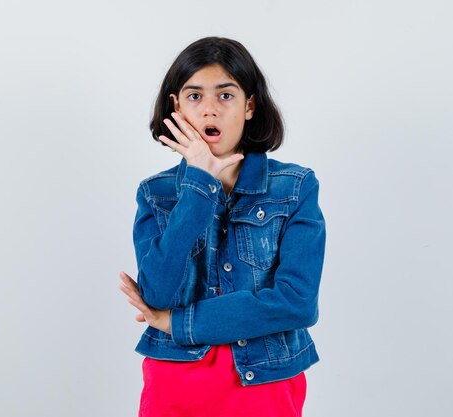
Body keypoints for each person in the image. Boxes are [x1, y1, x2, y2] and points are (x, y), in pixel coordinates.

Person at [118, 36, 326, 417]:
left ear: (249, 105)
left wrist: (178, 322)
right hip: (175, 382)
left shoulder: (294, 188)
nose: (209, 110)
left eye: (225, 95)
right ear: (175, 106)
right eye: (194, 96)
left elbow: (297, 303)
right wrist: (199, 183)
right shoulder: (156, 194)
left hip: (265, 379)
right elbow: (158, 294)